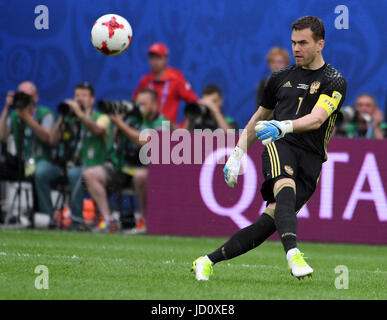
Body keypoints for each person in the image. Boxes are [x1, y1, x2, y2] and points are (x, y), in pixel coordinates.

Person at [191, 16, 347, 281]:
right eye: (293, 43)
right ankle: (294, 255)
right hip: (279, 144)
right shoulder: (279, 79)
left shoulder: (334, 80)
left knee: (268, 223)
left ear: (320, 44)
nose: (296, 48)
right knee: (285, 188)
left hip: (310, 158)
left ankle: (206, 261)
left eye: (303, 43)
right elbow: (259, 118)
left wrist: (282, 125)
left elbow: (318, 118)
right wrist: (237, 153)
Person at [83, 88, 169, 233]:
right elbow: (114, 141)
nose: (140, 107)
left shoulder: (162, 122)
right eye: (138, 103)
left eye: (144, 104)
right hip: (124, 168)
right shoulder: (132, 119)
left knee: (140, 176)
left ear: (155, 104)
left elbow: (145, 140)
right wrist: (117, 125)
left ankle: (145, 221)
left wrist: (122, 125)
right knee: (90, 174)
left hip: (149, 172)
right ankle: (108, 220)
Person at [47, 82, 112, 230]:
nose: (79, 99)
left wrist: (80, 113)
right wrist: (62, 118)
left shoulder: (101, 117)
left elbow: (97, 130)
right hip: (73, 163)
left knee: (76, 173)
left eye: (84, 95)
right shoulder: (71, 117)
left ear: (92, 100)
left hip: (98, 164)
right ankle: (50, 216)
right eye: (77, 95)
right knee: (58, 172)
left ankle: (77, 219)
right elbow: (52, 140)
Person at [0, 81, 54, 220]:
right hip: (22, 161)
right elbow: (2, 136)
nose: (23, 99)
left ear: (35, 97)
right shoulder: (14, 115)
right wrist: (7, 108)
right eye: (20, 95)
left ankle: (43, 216)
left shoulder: (45, 114)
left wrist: (27, 118)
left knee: (37, 171)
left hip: (42, 161)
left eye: (27, 96)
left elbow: (45, 137)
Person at [132, 42, 198, 125]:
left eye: (158, 57)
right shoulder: (145, 80)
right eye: (152, 58)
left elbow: (194, 103)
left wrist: (183, 127)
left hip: (166, 126)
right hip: (146, 126)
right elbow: (135, 104)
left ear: (166, 59)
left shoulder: (176, 79)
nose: (155, 61)